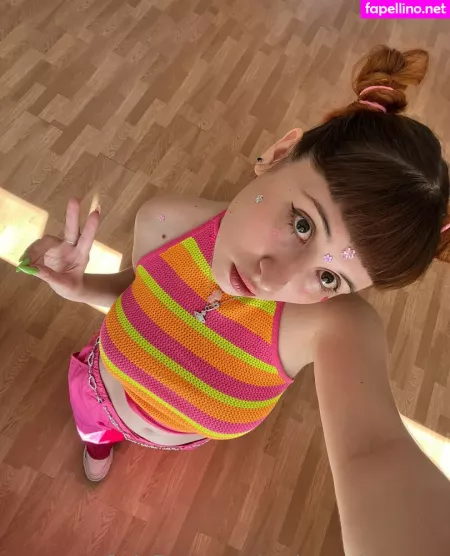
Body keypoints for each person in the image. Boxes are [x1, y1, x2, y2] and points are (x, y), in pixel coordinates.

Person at [17, 45, 450, 554]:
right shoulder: (166, 221)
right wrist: (80, 286)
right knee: (94, 431)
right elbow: (141, 291)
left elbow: (375, 451)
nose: (272, 278)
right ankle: (99, 442)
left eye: (329, 278)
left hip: (176, 434)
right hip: (97, 390)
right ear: (281, 153)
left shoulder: (330, 325)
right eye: (302, 224)